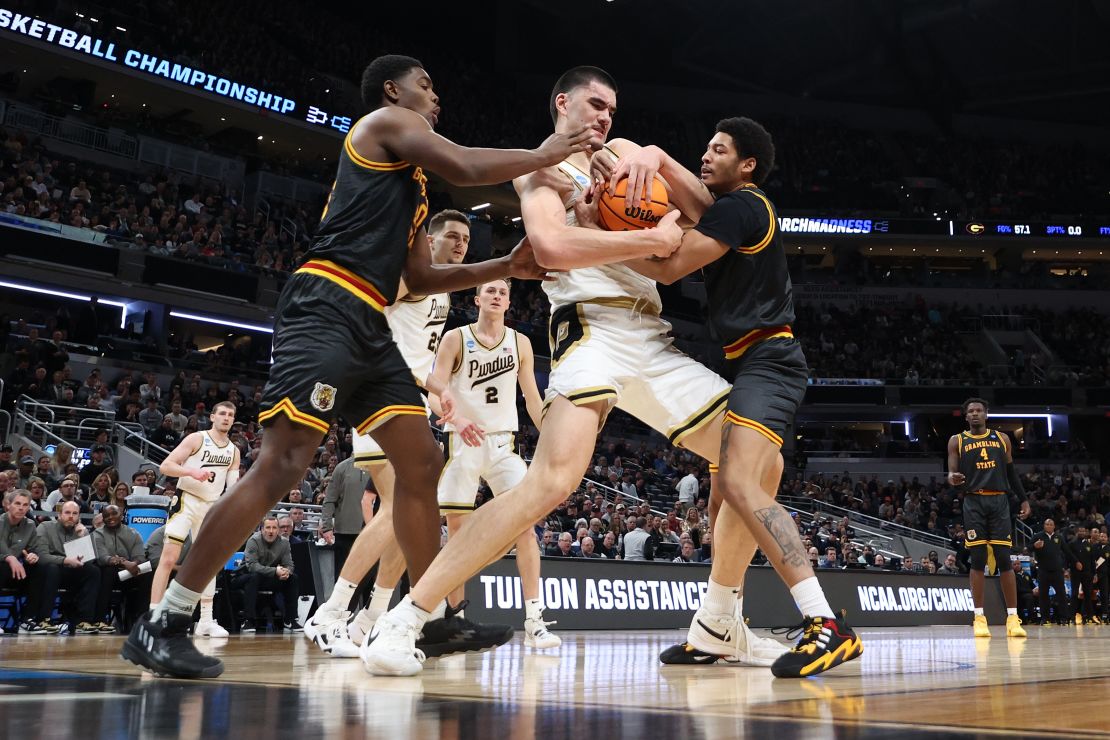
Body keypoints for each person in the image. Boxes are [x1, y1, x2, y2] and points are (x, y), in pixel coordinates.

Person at [123, 53, 592, 679]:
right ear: (393, 91)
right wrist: (551, 150)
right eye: (426, 86)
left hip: (369, 320)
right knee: (283, 463)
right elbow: (468, 164)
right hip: (325, 303)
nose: (435, 96)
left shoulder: (412, 183)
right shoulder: (381, 125)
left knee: (423, 460)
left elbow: (418, 276)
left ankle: (431, 615)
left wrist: (502, 267)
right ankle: (167, 618)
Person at [362, 67, 793, 678]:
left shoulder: (624, 157)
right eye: (595, 105)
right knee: (551, 483)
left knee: (758, 457)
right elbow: (554, 247)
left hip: (653, 337)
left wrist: (651, 156)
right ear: (562, 102)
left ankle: (720, 621)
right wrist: (649, 236)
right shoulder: (540, 169)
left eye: (613, 110)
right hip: (590, 330)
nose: (604, 118)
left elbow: (701, 210)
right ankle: (410, 617)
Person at [573, 116, 861, 676]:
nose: (706, 155)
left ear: (747, 164)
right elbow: (676, 174)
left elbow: (671, 266)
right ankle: (715, 627)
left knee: (738, 484)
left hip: (771, 363)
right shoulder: (730, 207)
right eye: (705, 145)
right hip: (748, 363)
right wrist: (650, 156)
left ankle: (826, 623)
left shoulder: (744, 207)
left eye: (720, 149)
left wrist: (595, 236)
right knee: (719, 501)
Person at [304, 210, 510, 659]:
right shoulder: (404, 276)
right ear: (428, 241)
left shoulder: (440, 291)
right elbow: (361, 317)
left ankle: (370, 620)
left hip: (409, 399)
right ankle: (332, 612)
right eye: (452, 237)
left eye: (465, 239)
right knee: (402, 505)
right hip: (379, 394)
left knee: (416, 512)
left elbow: (419, 360)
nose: (459, 245)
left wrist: (446, 406)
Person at [432, 277, 558, 649]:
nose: (497, 295)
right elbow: (436, 386)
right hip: (463, 443)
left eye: (503, 292)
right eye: (491, 290)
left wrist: (553, 436)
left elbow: (533, 399)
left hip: (504, 444)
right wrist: (456, 419)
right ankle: (457, 620)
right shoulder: (456, 337)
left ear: (508, 302)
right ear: (477, 299)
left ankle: (535, 619)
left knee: (526, 525)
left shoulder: (521, 342)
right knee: (458, 533)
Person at [148, 400, 241, 640]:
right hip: (186, 500)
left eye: (231, 415)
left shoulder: (234, 451)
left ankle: (206, 621)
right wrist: (192, 471)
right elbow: (166, 466)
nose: (226, 418)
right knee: (168, 558)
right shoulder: (197, 439)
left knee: (208, 563)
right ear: (212, 416)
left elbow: (232, 489)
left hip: (210, 507)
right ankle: (154, 615)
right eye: (222, 413)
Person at [947, 397, 1029, 638]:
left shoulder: (1002, 439)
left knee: (1004, 557)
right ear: (965, 416)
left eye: (978, 410)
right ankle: (979, 617)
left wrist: (1023, 498)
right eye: (970, 411)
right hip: (973, 501)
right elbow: (951, 472)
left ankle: (1013, 618)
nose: (974, 414)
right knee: (978, 557)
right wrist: (952, 478)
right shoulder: (957, 440)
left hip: (999, 501)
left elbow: (1011, 472)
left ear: (986, 414)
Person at [32, 501, 101, 634]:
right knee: (52, 568)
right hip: (48, 571)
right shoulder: (45, 527)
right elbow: (42, 556)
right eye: (67, 513)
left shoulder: (80, 531)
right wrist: (65, 560)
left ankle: (83, 621)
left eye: (75, 513)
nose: (71, 516)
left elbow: (91, 561)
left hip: (71, 572)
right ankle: (44, 619)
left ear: (79, 517)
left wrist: (84, 536)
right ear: (59, 515)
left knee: (93, 571)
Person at [234, 517, 300, 633]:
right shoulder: (253, 540)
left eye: (274, 528)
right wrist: (275, 571)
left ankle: (290, 620)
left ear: (278, 530)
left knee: (293, 578)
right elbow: (252, 566)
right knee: (254, 577)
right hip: (246, 575)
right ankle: (248, 621)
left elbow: (289, 564)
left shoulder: (284, 543)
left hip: (268, 577)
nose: (271, 531)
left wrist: (286, 572)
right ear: (262, 529)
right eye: (268, 527)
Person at [92, 504, 150, 632]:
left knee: (147, 573)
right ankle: (100, 620)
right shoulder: (97, 534)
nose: (110, 517)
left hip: (128, 574)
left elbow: (139, 556)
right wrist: (124, 563)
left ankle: (141, 621)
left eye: (114, 514)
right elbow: (103, 558)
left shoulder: (133, 533)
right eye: (106, 515)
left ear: (122, 515)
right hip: (107, 575)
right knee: (107, 570)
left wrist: (132, 564)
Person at [1030, 518, 1072, 625]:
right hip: (1043, 571)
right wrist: (1034, 546)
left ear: (1054, 526)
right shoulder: (1038, 536)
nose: (1048, 526)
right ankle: (1045, 618)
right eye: (1046, 524)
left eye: (1050, 524)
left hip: (1057, 571)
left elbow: (1067, 551)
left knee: (1061, 595)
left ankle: (1063, 618)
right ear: (1044, 526)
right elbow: (1028, 548)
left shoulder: (1059, 537)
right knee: (1043, 595)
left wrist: (1070, 565)